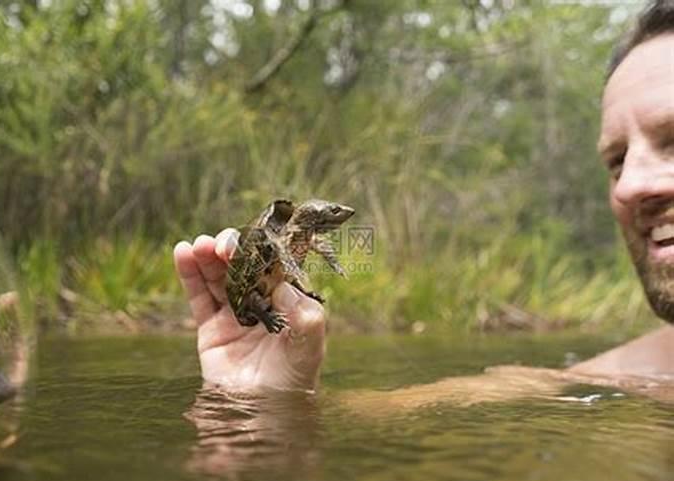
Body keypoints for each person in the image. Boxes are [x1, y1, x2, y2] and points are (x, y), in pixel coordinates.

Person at [173, 0, 674, 398]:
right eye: (616, 161)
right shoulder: (589, 381)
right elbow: (390, 414)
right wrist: (260, 400)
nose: (630, 186)